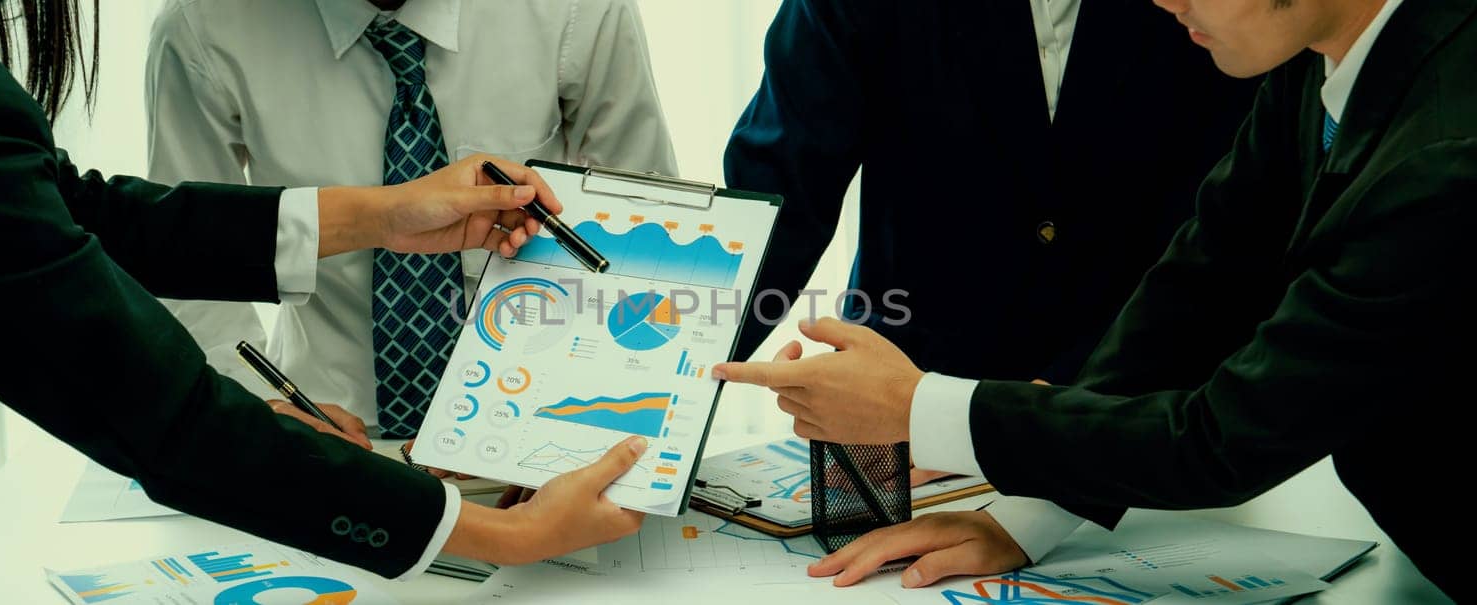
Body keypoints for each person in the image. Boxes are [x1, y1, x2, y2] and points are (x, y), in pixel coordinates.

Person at [0, 0, 650, 599]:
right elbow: (171, 420)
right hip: (338, 456)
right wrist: (506, 535)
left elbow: (90, 212)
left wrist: (384, 213)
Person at [714, 0, 1472, 599]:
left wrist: (917, 409)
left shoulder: (1443, 154)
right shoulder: (1314, 62)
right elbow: (1199, 285)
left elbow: (1220, 437)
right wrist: (1033, 515)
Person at [722, 0, 1259, 571]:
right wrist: (648, 402)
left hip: (1147, 412)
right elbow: (769, 207)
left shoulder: (1223, 19)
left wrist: (1025, 455)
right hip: (905, 410)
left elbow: (1220, 257)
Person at [146, 0, 678, 441]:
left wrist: (600, 414)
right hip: (330, 425)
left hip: (545, 419)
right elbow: (183, 261)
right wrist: (257, 413)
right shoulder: (202, 26)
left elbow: (648, 236)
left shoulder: (578, 10)